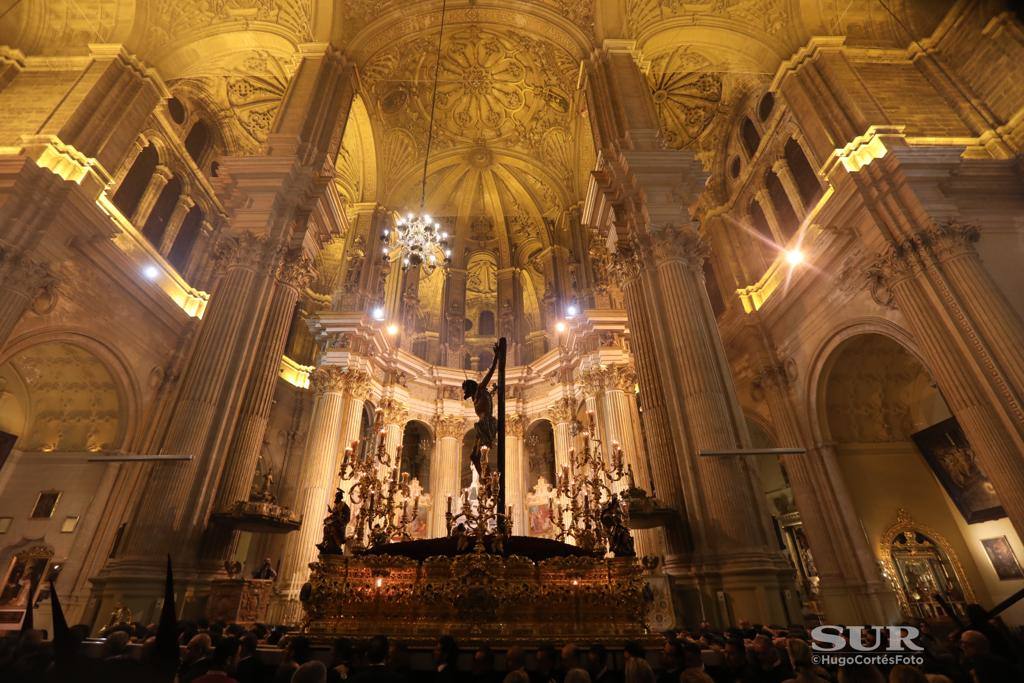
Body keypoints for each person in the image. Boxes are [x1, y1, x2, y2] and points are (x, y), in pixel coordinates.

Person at [462, 340, 501, 475]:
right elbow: (488, 399)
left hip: (487, 425)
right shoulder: (477, 397)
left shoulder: (479, 389)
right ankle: (486, 480)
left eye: (465, 389)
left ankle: (489, 478)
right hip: (481, 426)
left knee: (482, 453)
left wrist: (496, 356)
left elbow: (490, 373)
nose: (464, 393)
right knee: (474, 456)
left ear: (470, 387)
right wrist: (494, 391)